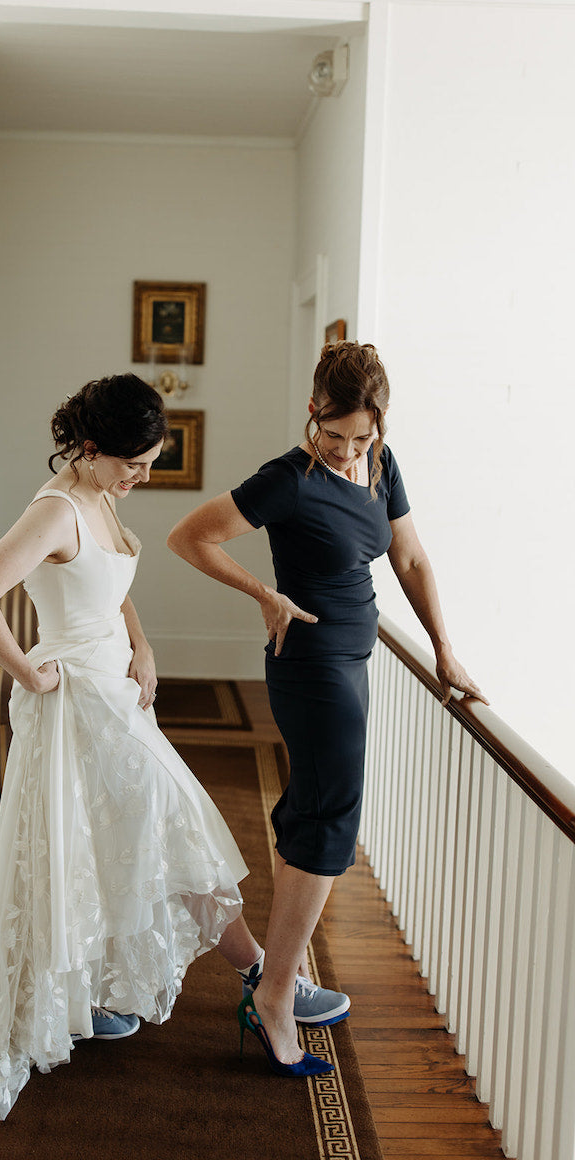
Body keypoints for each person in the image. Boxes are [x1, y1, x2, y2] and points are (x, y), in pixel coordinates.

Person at [0, 374, 339, 1134]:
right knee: (175, 835)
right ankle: (262, 978)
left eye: (150, 463)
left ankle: (137, 990)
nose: (144, 478)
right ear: (90, 450)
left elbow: (111, 584)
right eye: (136, 463)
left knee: (125, 848)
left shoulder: (98, 499)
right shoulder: (54, 509)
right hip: (79, 710)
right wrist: (31, 671)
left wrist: (144, 645)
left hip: (118, 702)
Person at [167, 341, 486, 1072]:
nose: (346, 452)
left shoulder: (383, 464)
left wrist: (445, 649)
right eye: (333, 435)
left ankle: (281, 976)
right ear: (312, 411)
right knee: (332, 817)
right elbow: (191, 537)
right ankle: (275, 994)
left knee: (310, 810)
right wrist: (266, 595)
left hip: (354, 660)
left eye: (361, 438)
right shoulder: (288, 479)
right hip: (310, 665)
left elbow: (408, 558)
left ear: (380, 427)